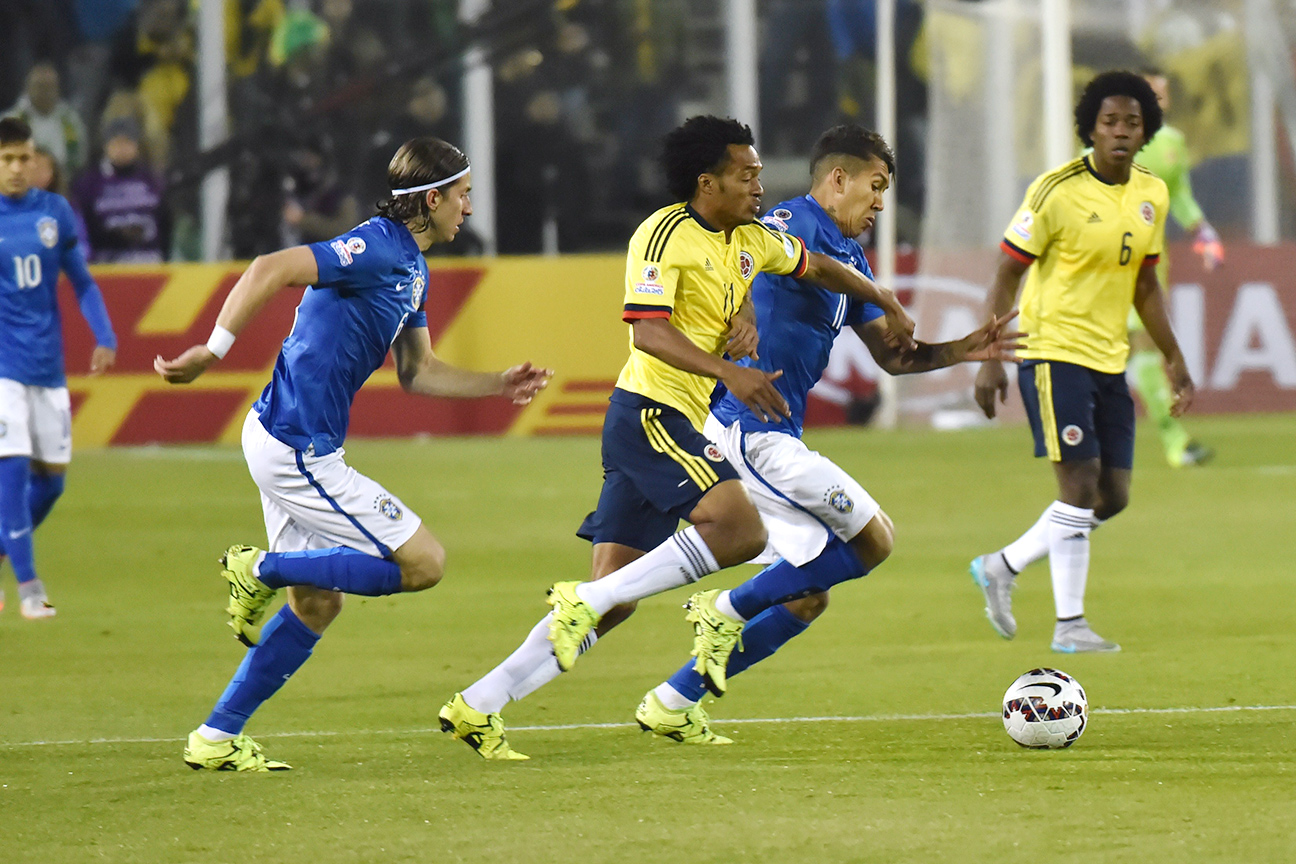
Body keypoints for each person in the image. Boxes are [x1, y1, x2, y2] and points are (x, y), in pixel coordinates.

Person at [439, 115, 918, 761]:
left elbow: (817, 269)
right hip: (650, 414)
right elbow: (648, 332)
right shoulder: (664, 232)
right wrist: (730, 374)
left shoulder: (747, 239)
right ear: (707, 181)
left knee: (613, 604)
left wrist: (881, 296)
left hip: (675, 421)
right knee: (736, 528)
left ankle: (477, 705)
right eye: (746, 174)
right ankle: (603, 604)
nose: (759, 184)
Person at [154, 137, 551, 772]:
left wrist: (496, 384)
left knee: (318, 603)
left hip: (287, 439)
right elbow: (268, 267)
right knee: (424, 563)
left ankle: (216, 735)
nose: (468, 209)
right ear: (431, 199)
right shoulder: (374, 247)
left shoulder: (413, 268)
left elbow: (417, 372)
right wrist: (213, 349)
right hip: (297, 448)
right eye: (463, 195)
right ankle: (260, 570)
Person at [635, 125, 1022, 742]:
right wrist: (762, 307)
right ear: (837, 179)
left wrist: (963, 350)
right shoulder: (795, 220)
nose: (879, 204)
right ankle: (723, 608)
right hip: (749, 430)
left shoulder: (853, 259)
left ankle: (674, 699)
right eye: (875, 187)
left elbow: (895, 358)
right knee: (874, 540)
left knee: (806, 595)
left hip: (773, 432)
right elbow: (785, 262)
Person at [969, 71, 1194, 653]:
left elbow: (1146, 284)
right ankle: (1070, 625)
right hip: (1050, 351)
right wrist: (990, 355)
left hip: (1108, 356)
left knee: (1112, 496)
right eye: (1110, 121)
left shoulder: (1152, 193)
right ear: (1090, 127)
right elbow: (1006, 272)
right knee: (1080, 484)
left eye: (1132, 123)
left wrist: (1173, 355)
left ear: (1147, 131)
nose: (1120, 132)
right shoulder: (1055, 191)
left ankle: (1004, 564)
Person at [0, 117, 117, 619]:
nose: (16, 168)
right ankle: (29, 587)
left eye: (24, 158)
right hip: (3, 368)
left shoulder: (55, 213)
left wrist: (105, 334)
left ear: (36, 161)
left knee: (52, 482)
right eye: (6, 160)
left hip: (47, 368)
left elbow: (83, 282)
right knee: (12, 469)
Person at [1131, 69, 1221, 467]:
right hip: (1100, 261)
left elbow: (1180, 194)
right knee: (1129, 351)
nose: (1159, 98)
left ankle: (1175, 442)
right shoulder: (1105, 142)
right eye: (1151, 91)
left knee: (1144, 349)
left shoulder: (1172, 143)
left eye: (1163, 92)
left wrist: (1202, 230)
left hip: (1150, 260)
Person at [69, 116, 169, 263]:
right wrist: (115, 236)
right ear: (106, 146)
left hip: (149, 261)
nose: (122, 149)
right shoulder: (89, 183)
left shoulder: (151, 180)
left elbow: (165, 221)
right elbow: (84, 225)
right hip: (107, 264)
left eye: (127, 143)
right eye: (117, 143)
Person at [3, 63, 87, 177]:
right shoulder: (11, 121)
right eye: (40, 86)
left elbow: (80, 158)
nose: (45, 92)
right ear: (28, 88)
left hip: (65, 182)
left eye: (50, 87)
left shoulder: (71, 120)